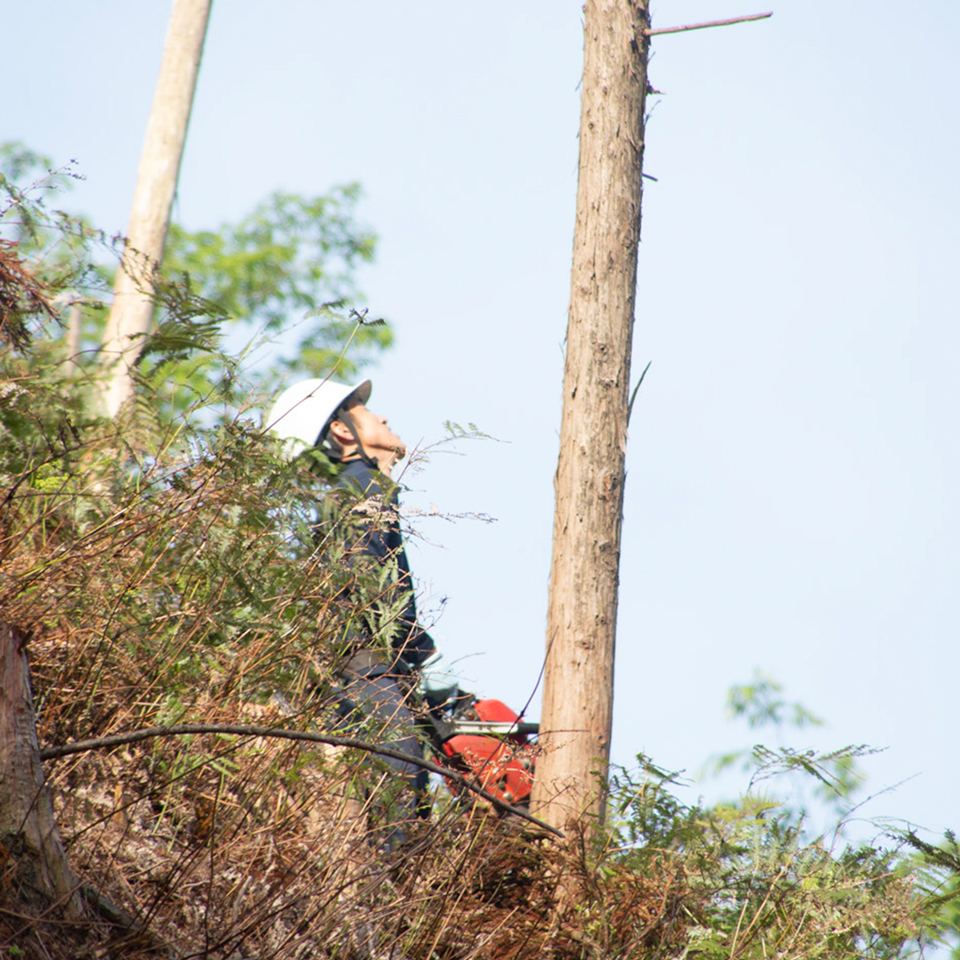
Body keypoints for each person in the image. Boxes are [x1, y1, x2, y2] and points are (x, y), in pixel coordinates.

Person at [267, 377, 458, 835]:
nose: (384, 416)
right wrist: (420, 662)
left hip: (366, 675)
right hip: (367, 673)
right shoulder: (362, 490)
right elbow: (372, 591)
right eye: (367, 410)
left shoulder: (357, 491)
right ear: (343, 432)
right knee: (400, 782)